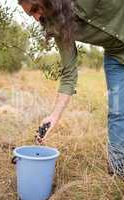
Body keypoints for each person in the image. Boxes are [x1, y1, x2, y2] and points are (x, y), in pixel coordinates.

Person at [18, 0, 124, 177]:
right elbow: (69, 73)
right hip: (116, 58)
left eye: (36, 8)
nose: (37, 17)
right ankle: (118, 172)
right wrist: (54, 116)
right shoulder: (56, 25)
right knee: (117, 112)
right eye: (31, 14)